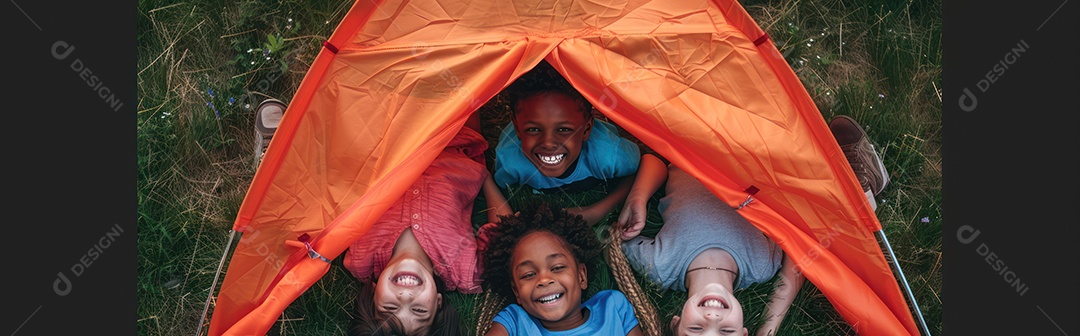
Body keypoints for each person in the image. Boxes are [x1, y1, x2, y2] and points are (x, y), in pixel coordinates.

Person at [342, 110, 513, 336]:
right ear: (438, 303)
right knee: (465, 84)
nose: (406, 296)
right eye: (420, 310)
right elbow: (506, 231)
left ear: (373, 295)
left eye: (390, 307)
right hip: (456, 141)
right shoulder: (465, 271)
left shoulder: (360, 258)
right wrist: (484, 178)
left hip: (387, 139)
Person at [491, 85, 665, 225]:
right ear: (517, 129)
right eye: (534, 130)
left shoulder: (609, 156)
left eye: (564, 130)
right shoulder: (510, 163)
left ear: (587, 129)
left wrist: (596, 211)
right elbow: (494, 188)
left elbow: (650, 163)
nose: (548, 143)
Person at [480, 201, 644, 336]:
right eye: (529, 275)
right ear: (517, 292)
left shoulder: (611, 307)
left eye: (557, 267)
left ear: (581, 276)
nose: (544, 280)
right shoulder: (514, 322)